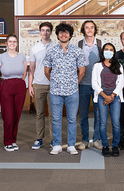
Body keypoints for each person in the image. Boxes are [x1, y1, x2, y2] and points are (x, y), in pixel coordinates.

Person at [43, 22, 86, 155]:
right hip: (55, 92)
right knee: (56, 119)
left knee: (72, 119)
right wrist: (56, 82)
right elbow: (46, 71)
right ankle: (56, 144)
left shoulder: (77, 51)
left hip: (72, 92)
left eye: (66, 32)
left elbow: (82, 71)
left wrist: (73, 83)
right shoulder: (51, 51)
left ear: (70, 35)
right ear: (57, 35)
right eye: (61, 32)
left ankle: (71, 145)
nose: (63, 34)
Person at [0, 34, 27, 152]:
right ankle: (7, 141)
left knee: (17, 115)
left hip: (19, 85)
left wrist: (20, 82)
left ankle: (13, 140)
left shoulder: (22, 57)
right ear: (6, 43)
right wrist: (2, 84)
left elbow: (24, 72)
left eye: (14, 41)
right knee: (8, 115)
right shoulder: (1, 57)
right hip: (6, 85)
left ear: (17, 44)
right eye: (10, 41)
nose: (12, 43)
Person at [92, 43, 124, 157]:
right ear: (103, 52)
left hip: (115, 98)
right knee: (103, 122)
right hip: (102, 97)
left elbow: (121, 83)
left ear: (114, 52)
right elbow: (94, 83)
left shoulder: (118, 66)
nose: (109, 51)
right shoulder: (97, 66)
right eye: (106, 49)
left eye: (111, 50)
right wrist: (105, 96)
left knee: (116, 123)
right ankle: (105, 145)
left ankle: (115, 145)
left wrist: (112, 96)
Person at [28, 22, 56, 150]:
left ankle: (54, 139)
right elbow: (32, 69)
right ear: (40, 32)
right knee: (39, 114)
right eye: (43, 30)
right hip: (39, 84)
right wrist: (30, 85)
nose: (45, 33)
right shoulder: (34, 48)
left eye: (48, 30)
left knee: (53, 114)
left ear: (51, 32)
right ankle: (39, 139)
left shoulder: (56, 47)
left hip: (53, 85)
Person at [77, 20, 103, 150]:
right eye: (86, 27)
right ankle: (85, 139)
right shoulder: (79, 44)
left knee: (98, 113)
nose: (89, 29)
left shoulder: (100, 44)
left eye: (91, 27)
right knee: (83, 114)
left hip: (97, 85)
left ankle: (97, 139)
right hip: (83, 84)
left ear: (94, 29)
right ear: (83, 30)